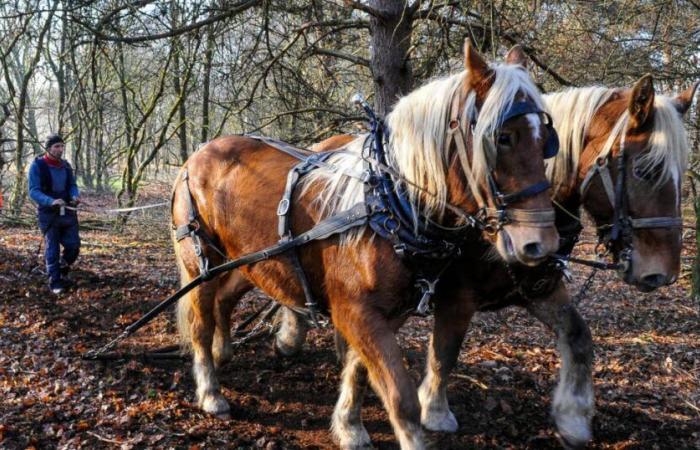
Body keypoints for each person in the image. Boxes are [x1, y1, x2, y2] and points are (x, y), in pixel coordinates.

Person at [28, 134, 81, 294]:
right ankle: (55, 282)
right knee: (53, 249)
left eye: (62, 146)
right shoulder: (37, 166)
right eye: (56, 146)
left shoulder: (66, 165)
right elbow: (33, 191)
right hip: (48, 214)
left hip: (68, 213)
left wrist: (74, 195)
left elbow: (72, 185)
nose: (60, 149)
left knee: (74, 246)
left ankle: (61, 268)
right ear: (48, 148)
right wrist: (51, 201)